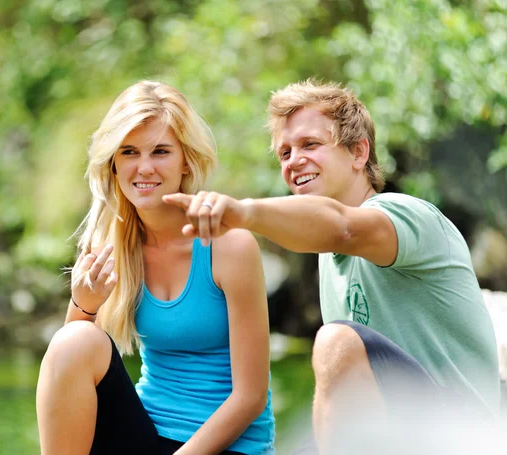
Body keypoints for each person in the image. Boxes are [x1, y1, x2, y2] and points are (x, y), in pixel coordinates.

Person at [163, 79, 501, 454]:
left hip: (468, 438)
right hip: (409, 437)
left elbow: (343, 227)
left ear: (358, 152)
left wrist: (244, 212)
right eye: (285, 152)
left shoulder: (406, 216)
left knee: (336, 340)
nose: (294, 160)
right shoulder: (328, 257)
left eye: (310, 144)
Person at [36, 81, 275, 455]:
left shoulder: (229, 245)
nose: (143, 167)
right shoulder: (112, 247)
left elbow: (252, 397)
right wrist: (83, 304)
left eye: (160, 151)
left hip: (227, 447)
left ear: (186, 161)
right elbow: (69, 374)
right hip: (147, 434)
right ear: (114, 165)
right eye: (129, 152)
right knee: (73, 340)